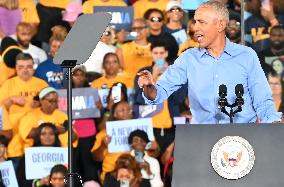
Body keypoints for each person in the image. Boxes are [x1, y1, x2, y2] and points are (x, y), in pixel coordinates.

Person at [137, 0, 281, 124]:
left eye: (201, 22)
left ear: (220, 25)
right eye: (194, 22)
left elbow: (262, 100)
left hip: (243, 140)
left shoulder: (247, 56)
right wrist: (149, 87)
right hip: (203, 139)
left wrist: (273, 122)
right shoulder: (188, 58)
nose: (195, 28)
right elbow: (159, 93)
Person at [0, 52, 48, 169]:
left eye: (28, 67)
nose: (25, 70)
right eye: (21, 67)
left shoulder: (42, 84)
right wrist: (11, 99)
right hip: (15, 144)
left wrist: (41, 104)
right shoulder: (8, 84)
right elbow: (0, 109)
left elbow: (52, 106)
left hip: (37, 143)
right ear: (16, 68)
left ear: (33, 67)